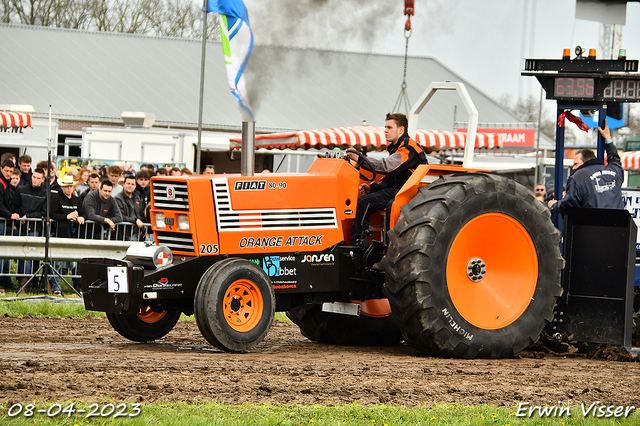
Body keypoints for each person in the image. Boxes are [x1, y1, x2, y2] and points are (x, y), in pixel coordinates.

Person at [347, 113, 427, 244]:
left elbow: (387, 166)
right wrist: (372, 188)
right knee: (364, 202)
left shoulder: (408, 148)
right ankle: (362, 244)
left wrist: (359, 158)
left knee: (368, 203)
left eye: (389, 127)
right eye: (385, 127)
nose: (385, 130)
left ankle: (364, 246)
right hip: (398, 189)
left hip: (410, 192)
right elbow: (391, 178)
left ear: (401, 129)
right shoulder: (395, 148)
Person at [549, 121, 623, 213]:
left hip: (592, 225)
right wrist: (608, 139)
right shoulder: (614, 171)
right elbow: (615, 159)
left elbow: (569, 204)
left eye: (576, 164)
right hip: (617, 225)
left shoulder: (578, 177)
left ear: (586, 162)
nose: (573, 168)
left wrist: (555, 205)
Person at [10, 168, 47, 289]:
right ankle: (23, 283)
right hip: (22, 226)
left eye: (38, 178)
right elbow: (14, 206)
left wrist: (29, 216)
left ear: (43, 179)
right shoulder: (22, 189)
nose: (35, 180)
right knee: (23, 256)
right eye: (34, 177)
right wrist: (18, 217)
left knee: (34, 256)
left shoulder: (45, 193)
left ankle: (33, 282)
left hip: (36, 227)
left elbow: (45, 212)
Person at [50, 174, 86, 293]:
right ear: (62, 187)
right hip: (59, 234)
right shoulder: (56, 198)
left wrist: (81, 217)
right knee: (57, 262)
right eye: (66, 186)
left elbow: (83, 212)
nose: (69, 188)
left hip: (73, 235)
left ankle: (57, 279)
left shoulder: (76, 199)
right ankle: (56, 286)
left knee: (71, 264)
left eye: (71, 186)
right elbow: (52, 214)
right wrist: (66, 216)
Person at [0, 159, 16, 290]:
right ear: (1, 169)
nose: (8, 173)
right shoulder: (1, 183)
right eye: (6, 171)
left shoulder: (7, 183)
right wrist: (10, 215)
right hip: (2, 221)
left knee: (5, 253)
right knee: (1, 253)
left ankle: (6, 281)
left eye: (11, 171)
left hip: (5, 222)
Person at [114, 174, 145, 240]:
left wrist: (142, 228)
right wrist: (135, 221)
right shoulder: (118, 198)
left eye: (132, 184)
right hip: (123, 234)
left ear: (135, 186)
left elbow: (141, 214)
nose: (130, 186)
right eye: (128, 183)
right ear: (123, 184)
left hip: (137, 233)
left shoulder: (137, 198)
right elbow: (120, 216)